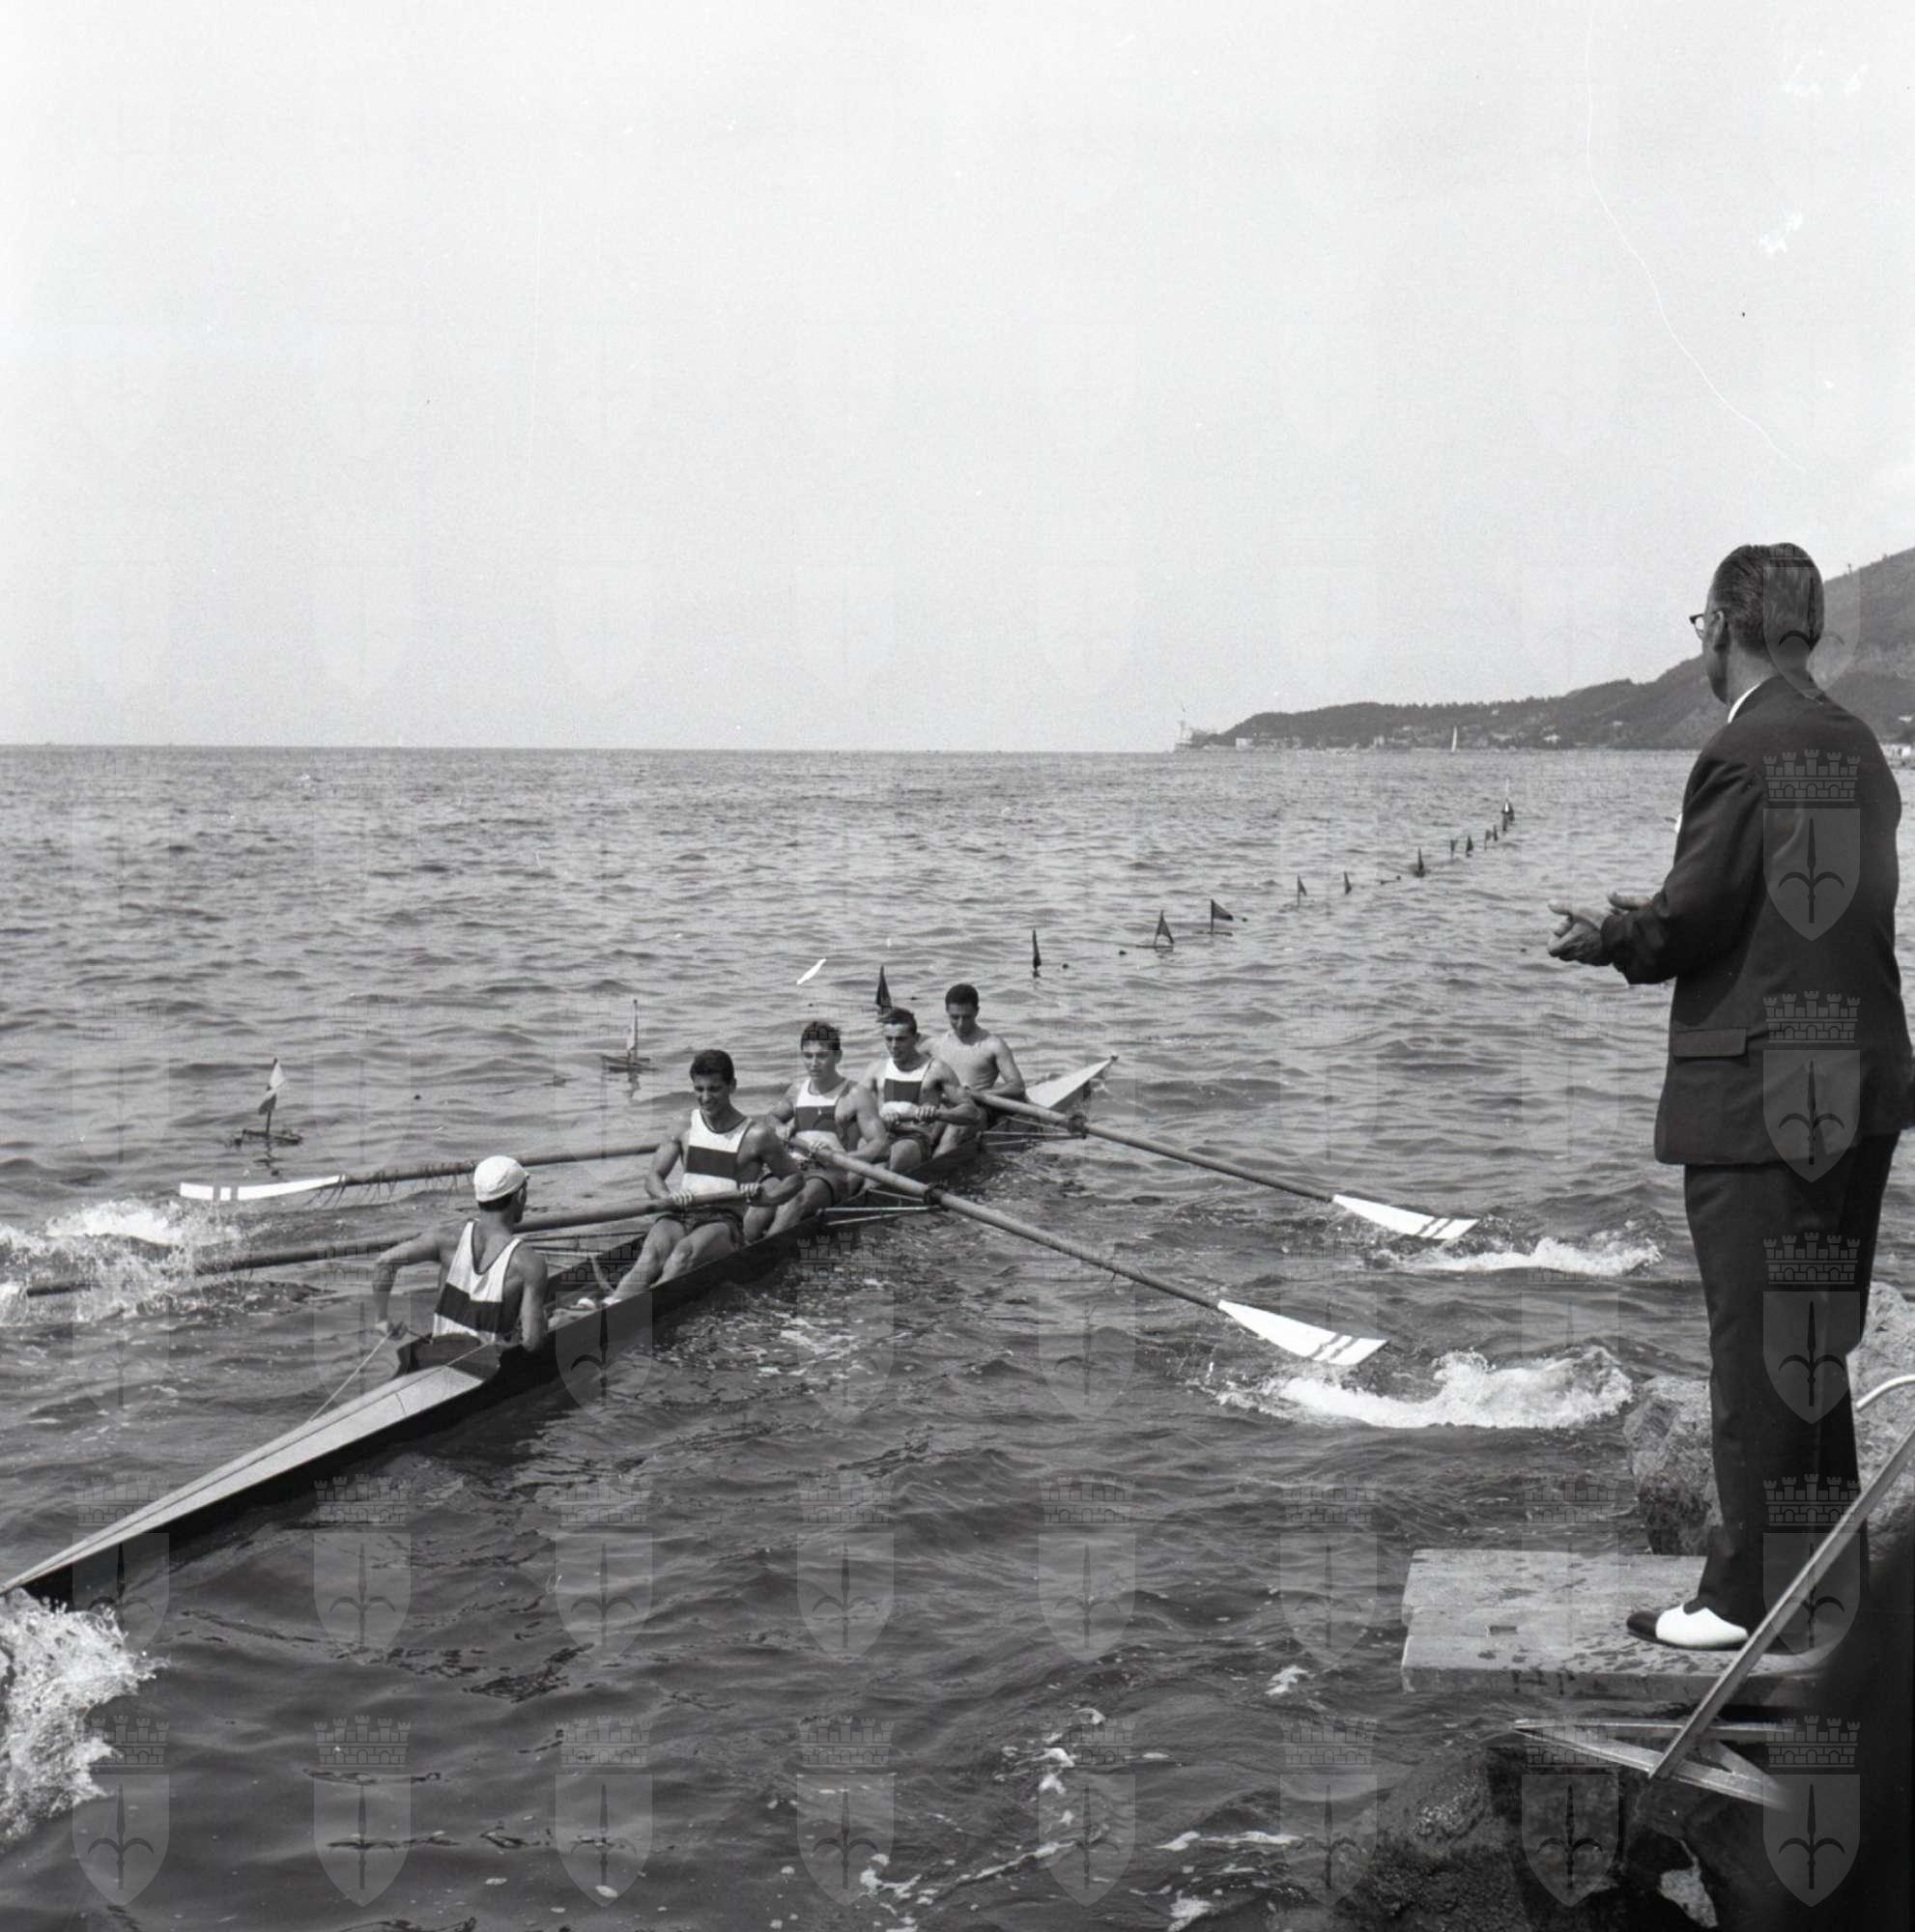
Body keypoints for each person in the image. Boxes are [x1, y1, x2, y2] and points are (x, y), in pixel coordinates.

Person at [1549, 542, 1913, 1649]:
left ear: (1721, 626)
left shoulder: (1736, 749)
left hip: (1760, 1101)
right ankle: (1823, 1591)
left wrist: (1616, 932)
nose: (1699, 643)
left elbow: (1694, 915)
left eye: (1698, 625)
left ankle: (1737, 1598)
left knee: (1753, 1349)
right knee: (1811, 1346)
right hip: (1859, 1088)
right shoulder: (1860, 750)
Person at [615, 1049, 804, 1291]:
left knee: (681, 1256)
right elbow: (653, 1177)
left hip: (724, 1222)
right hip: (681, 1212)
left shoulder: (757, 1135)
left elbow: (795, 1179)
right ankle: (615, 1302)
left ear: (732, 1086)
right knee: (649, 1257)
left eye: (714, 1089)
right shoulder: (683, 1125)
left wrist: (766, 1199)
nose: (705, 1098)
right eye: (699, 1089)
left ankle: (638, 1306)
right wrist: (667, 1197)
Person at [367, 1154, 550, 1350]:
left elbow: (385, 1262)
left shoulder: (445, 1237)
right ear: (521, 1196)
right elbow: (532, 1344)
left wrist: (381, 1319)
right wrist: (545, 1322)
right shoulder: (529, 1263)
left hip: (439, 1353)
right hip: (491, 1364)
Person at [745, 1019, 892, 1237]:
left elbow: (882, 1147)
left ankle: (766, 1252)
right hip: (791, 1168)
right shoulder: (797, 1090)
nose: (813, 1063)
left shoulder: (856, 1094)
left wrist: (839, 1157)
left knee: (794, 1202)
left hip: (829, 1174)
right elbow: (771, 1118)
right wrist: (780, 1127)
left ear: (838, 1056)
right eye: (808, 1056)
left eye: (822, 1056)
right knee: (754, 1213)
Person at [859, 1007, 978, 1173]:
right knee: (850, 1173)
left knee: (881, 1168)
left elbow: (971, 1112)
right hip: (880, 1132)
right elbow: (852, 1109)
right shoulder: (876, 1068)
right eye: (889, 1039)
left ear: (915, 1038)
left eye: (901, 1039)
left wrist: (937, 1114)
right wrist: (876, 1118)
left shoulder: (937, 1069)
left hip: (915, 1138)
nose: (894, 1046)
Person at [928, 982, 1026, 1153]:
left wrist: (978, 1094)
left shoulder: (993, 1045)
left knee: (954, 1132)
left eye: (966, 1017)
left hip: (976, 1108)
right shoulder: (933, 1045)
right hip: (943, 1105)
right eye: (954, 1017)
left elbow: (1017, 1087)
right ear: (946, 1011)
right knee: (925, 1131)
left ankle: (937, 1166)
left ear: (977, 1012)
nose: (960, 1024)